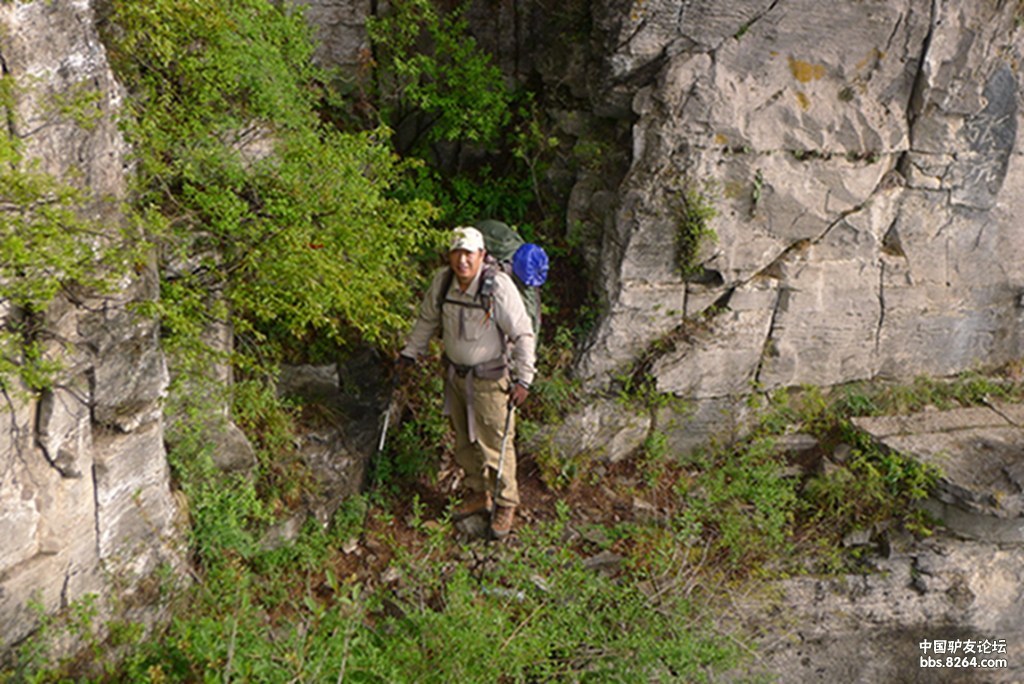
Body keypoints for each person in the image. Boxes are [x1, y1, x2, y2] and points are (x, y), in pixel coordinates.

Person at [398, 226, 536, 538]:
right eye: (457, 253)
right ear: (449, 255)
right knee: (464, 442)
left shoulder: (496, 286)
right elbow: (427, 321)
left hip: (490, 380)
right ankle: (478, 492)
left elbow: (523, 334)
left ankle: (505, 503)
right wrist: (410, 353)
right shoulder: (442, 281)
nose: (462, 261)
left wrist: (524, 379)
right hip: (455, 377)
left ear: (482, 256)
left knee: (496, 444)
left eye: (469, 254)